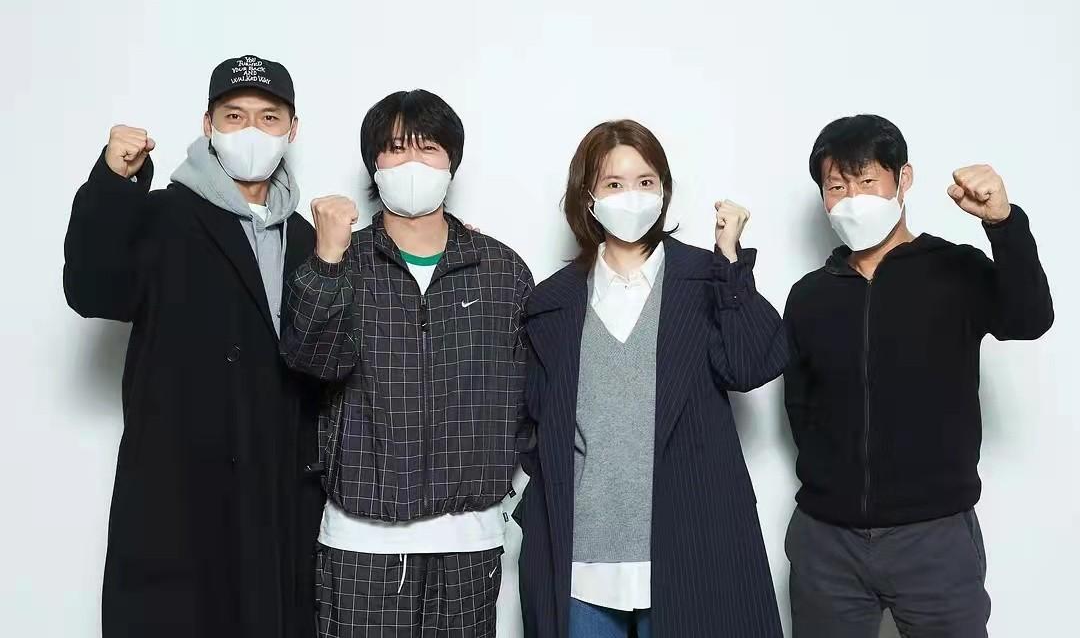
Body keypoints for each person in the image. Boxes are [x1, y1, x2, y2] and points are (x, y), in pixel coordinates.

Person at [63, 55, 323, 638]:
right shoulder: (163, 217)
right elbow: (91, 289)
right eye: (234, 116)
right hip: (179, 492)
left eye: (268, 117)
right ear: (208, 125)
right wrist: (112, 183)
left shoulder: (307, 239)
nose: (251, 130)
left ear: (292, 129)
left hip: (277, 494)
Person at [782, 114, 1054, 638]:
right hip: (827, 543)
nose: (852, 199)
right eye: (836, 187)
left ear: (902, 179)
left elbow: (1030, 319)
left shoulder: (955, 270)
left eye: (867, 181)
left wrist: (1003, 224)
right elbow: (800, 403)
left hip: (934, 538)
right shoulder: (809, 295)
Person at [516, 119, 789, 638]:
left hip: (691, 549)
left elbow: (753, 365)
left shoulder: (705, 278)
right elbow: (535, 421)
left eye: (645, 181)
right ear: (588, 197)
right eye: (613, 183)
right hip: (581, 561)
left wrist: (731, 262)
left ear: (663, 190)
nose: (632, 196)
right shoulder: (552, 302)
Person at [281, 89, 534, 638]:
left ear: (451, 162)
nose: (412, 162)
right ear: (374, 163)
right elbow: (308, 359)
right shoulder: (341, 260)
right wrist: (327, 260)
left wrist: (499, 476)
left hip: (469, 541)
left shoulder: (501, 271)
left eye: (428, 148)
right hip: (361, 540)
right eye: (396, 149)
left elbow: (530, 397)